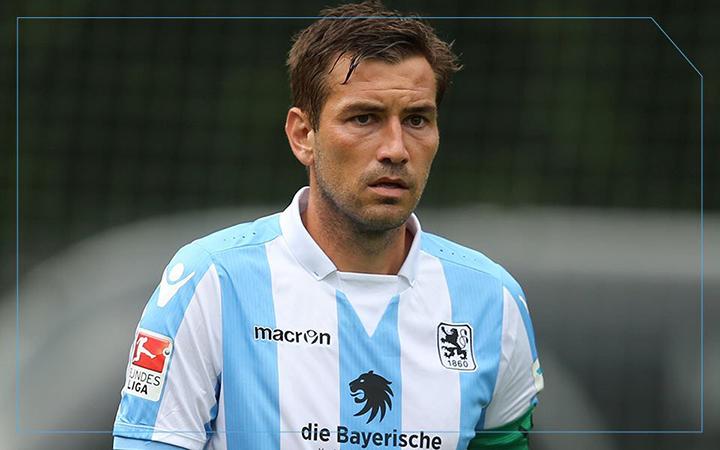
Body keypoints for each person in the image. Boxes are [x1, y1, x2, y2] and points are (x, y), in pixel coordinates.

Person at [113, 1, 544, 449]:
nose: (396, 149)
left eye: (417, 119)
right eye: (364, 118)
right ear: (303, 135)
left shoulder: (492, 301)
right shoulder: (213, 282)